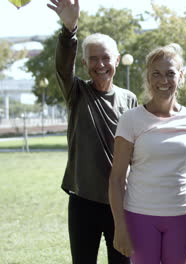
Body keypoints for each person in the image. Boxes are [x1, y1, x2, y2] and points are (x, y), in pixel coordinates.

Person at [47, 0, 137, 263]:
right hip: (83, 200)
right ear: (84, 63)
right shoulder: (77, 93)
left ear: (117, 60)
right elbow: (63, 68)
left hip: (120, 201)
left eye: (106, 58)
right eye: (93, 59)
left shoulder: (130, 99)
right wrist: (69, 29)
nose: (100, 65)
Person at [109, 43, 186, 264]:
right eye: (156, 74)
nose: (163, 80)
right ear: (148, 78)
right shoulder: (131, 120)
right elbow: (116, 179)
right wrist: (120, 227)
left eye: (170, 73)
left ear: (180, 76)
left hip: (183, 215)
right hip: (139, 216)